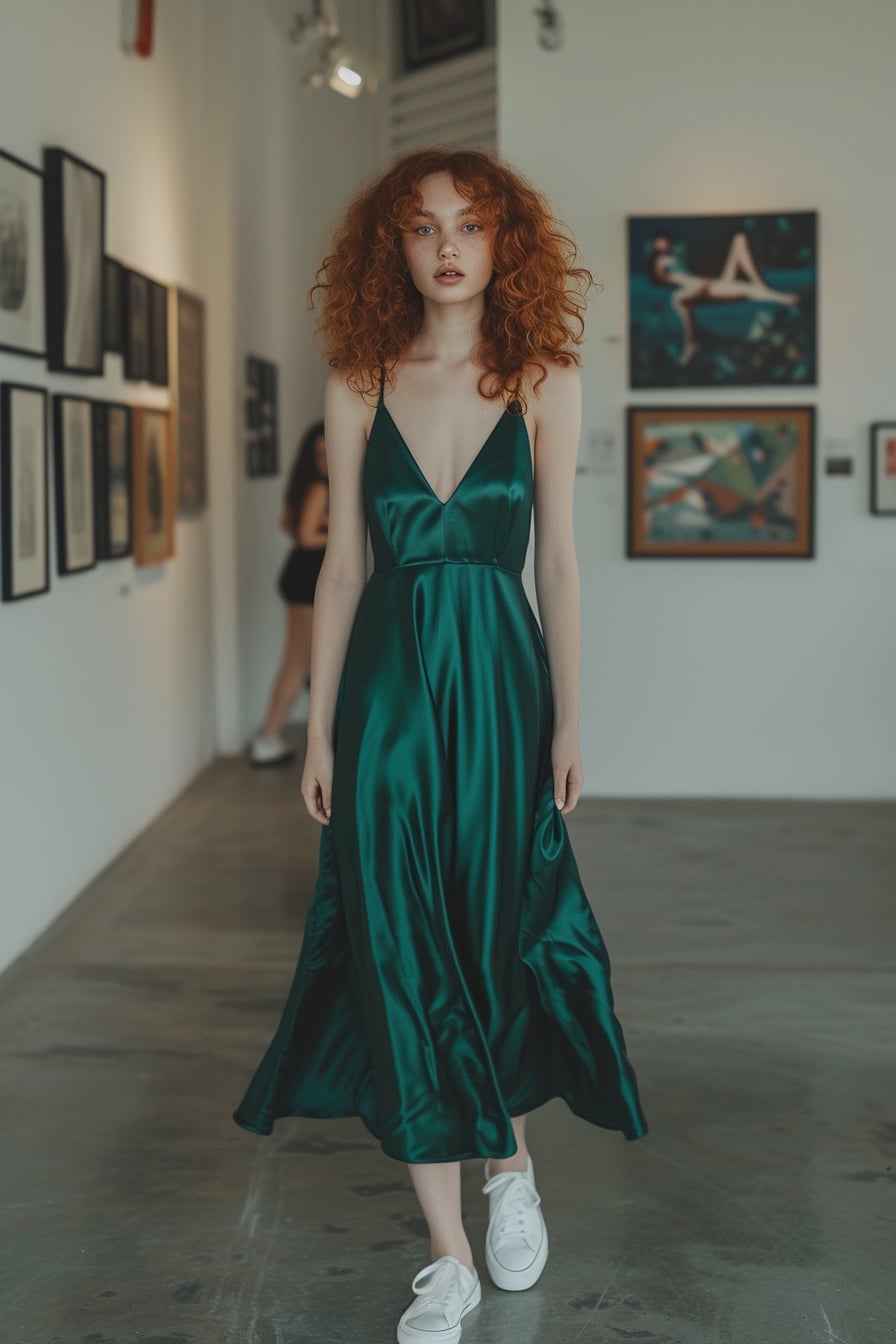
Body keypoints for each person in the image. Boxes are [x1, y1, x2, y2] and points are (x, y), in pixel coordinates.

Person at [233, 147, 648, 1343]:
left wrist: (569, 717)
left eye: (468, 225)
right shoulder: (359, 374)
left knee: (492, 935)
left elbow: (557, 563)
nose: (446, 246)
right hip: (386, 706)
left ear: (502, 240)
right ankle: (448, 1254)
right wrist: (320, 735)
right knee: (397, 948)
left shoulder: (543, 373)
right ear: (394, 248)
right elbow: (346, 567)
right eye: (421, 229)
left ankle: (509, 1168)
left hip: (503, 694)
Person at [250, 421, 329, 768]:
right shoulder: (320, 488)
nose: (324, 460)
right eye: (318, 454)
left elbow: (288, 523)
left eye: (328, 452)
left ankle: (272, 736)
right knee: (299, 661)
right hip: (307, 577)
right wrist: (342, 532)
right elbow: (304, 536)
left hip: (299, 576)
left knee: (304, 660)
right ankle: (268, 737)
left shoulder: (306, 488)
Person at [648, 231, 800, 366]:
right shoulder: (667, 273)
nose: (664, 243)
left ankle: (763, 286)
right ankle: (784, 298)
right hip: (708, 287)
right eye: (659, 242)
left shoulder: (676, 253)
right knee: (744, 288)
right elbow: (688, 284)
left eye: (663, 240)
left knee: (739, 240)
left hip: (714, 284)